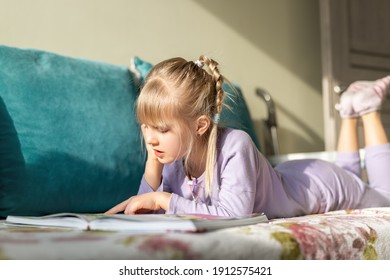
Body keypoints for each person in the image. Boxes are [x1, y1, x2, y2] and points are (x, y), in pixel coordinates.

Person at [105, 55, 390, 219]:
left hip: (318, 184)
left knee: (383, 199)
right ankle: (350, 110)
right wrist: (152, 171)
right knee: (354, 177)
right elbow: (146, 214)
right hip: (286, 178)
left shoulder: (235, 144)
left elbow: (235, 214)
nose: (151, 139)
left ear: (200, 125)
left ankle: (367, 109)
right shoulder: (175, 157)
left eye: (162, 129)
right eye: (146, 126)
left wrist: (164, 199)